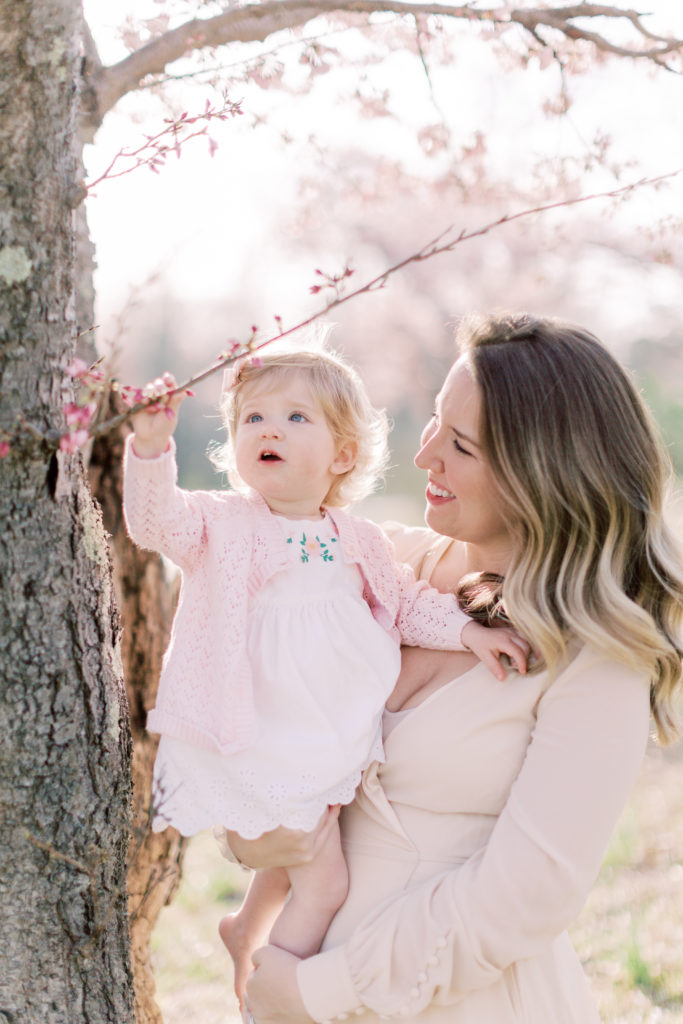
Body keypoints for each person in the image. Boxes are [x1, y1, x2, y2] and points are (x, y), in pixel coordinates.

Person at [226, 313, 683, 1024]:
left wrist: (324, 992)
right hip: (289, 984)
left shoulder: (596, 652)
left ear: (545, 474)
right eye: (434, 422)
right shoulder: (373, 563)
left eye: (461, 445)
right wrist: (252, 836)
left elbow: (527, 894)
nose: (425, 456)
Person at [122, 346, 529, 1006]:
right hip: (258, 722)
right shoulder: (223, 523)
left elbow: (406, 604)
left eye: (293, 417)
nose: (269, 429)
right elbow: (153, 523)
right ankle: (275, 990)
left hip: (326, 723)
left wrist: (467, 631)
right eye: (251, 417)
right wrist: (150, 452)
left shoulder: (355, 538)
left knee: (314, 830)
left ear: (341, 456)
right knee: (323, 879)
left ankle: (245, 927)